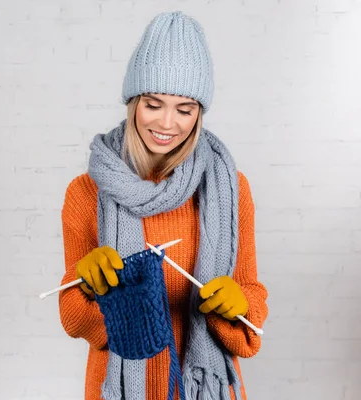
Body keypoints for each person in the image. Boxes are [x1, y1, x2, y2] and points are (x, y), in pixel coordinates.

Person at [57, 11, 268, 400]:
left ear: (199, 113)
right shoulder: (86, 192)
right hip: (119, 388)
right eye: (153, 104)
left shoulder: (229, 188)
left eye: (184, 110)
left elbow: (251, 309)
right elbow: (75, 319)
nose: (167, 123)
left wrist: (238, 302)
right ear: (133, 102)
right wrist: (87, 288)